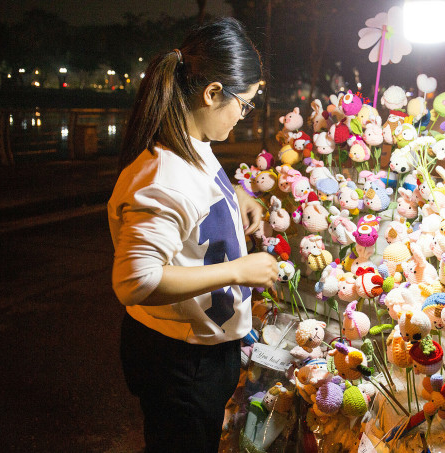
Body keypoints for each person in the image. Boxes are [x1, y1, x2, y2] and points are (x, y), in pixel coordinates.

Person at [107, 18, 278, 453]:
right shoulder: (163, 176)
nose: (244, 115)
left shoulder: (192, 139)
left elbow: (198, 181)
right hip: (179, 363)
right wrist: (237, 270)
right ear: (213, 93)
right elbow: (135, 281)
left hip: (199, 351)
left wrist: (235, 195)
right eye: (246, 103)